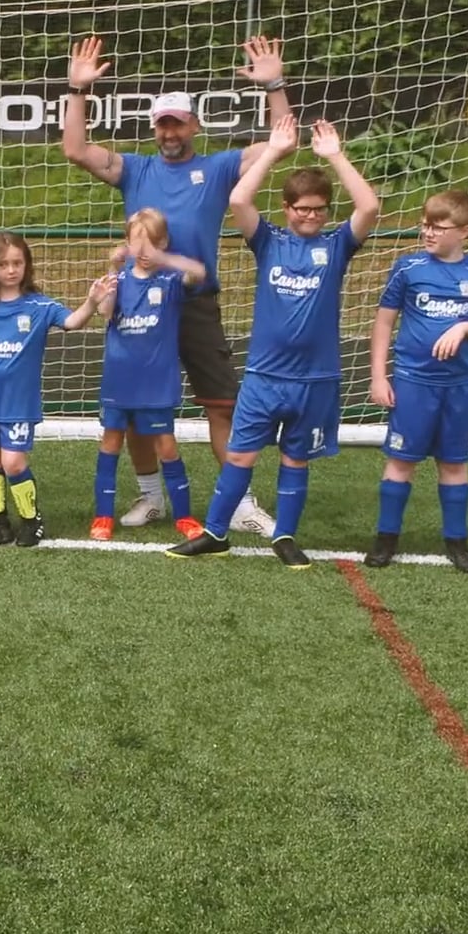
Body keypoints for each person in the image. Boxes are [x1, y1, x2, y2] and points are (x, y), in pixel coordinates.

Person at [62, 34, 296, 537]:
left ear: (194, 124)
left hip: (194, 303)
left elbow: (283, 141)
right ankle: (151, 497)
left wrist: (274, 84)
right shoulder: (135, 170)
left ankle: (238, 501)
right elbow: (75, 148)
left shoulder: (217, 168)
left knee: (221, 404)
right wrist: (78, 91)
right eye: (161, 123)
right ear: (154, 128)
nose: (169, 131)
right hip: (138, 304)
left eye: (177, 122)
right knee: (134, 413)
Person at [169, 114, 381, 567]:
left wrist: (335, 156)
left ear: (326, 210)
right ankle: (216, 531)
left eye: (318, 208)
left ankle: (284, 536)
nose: (310, 215)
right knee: (241, 455)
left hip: (315, 379)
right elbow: (239, 198)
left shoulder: (338, 245)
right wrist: (271, 152)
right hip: (265, 376)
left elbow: (369, 208)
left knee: (295, 460)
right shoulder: (269, 242)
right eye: (301, 208)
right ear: (287, 208)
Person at [365, 189, 468, 574]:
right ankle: (385, 538)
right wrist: (379, 376)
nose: (428, 233)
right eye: (425, 224)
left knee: (454, 464)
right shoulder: (408, 268)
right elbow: (383, 321)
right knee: (400, 462)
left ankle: (457, 542)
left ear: (464, 231)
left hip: (459, 387)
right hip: (412, 384)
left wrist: (464, 327)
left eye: (438, 227)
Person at [0, 233, 111, 546]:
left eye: (17, 262)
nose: (11, 270)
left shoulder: (39, 306)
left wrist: (92, 301)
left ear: (26, 266)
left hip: (19, 403)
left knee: (13, 462)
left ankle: (31, 520)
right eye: (3, 264)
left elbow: (72, 322)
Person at [91, 208, 209, 542]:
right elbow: (105, 311)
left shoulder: (170, 281)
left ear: (163, 243)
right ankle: (103, 517)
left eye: (151, 245)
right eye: (137, 244)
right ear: (126, 244)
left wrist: (164, 258)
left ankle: (184, 516)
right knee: (111, 443)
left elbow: (199, 272)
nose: (144, 253)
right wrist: (113, 268)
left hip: (157, 384)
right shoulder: (120, 280)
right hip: (119, 381)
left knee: (167, 446)